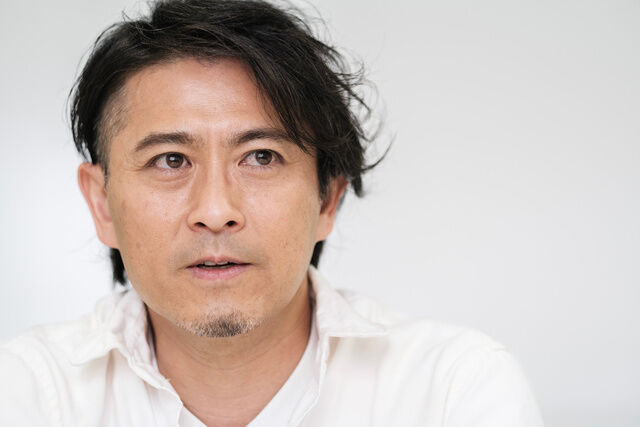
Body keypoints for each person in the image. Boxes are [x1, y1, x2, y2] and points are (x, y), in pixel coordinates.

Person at [0, 0, 544, 426]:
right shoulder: (28, 393)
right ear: (102, 204)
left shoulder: (452, 391)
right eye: (170, 160)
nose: (216, 211)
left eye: (261, 157)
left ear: (327, 199)